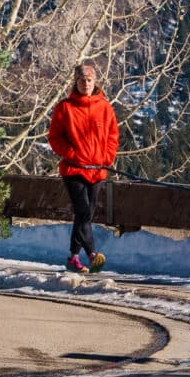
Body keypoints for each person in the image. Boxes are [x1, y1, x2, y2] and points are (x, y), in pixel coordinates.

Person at [46, 61, 119, 273]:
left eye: (89, 80)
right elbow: (54, 138)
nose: (85, 84)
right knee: (84, 211)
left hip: (97, 170)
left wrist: (106, 157)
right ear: (75, 82)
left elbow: (113, 136)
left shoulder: (105, 107)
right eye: (81, 80)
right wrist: (72, 154)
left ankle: (73, 257)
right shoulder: (65, 108)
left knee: (85, 215)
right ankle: (92, 254)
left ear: (95, 82)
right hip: (74, 170)